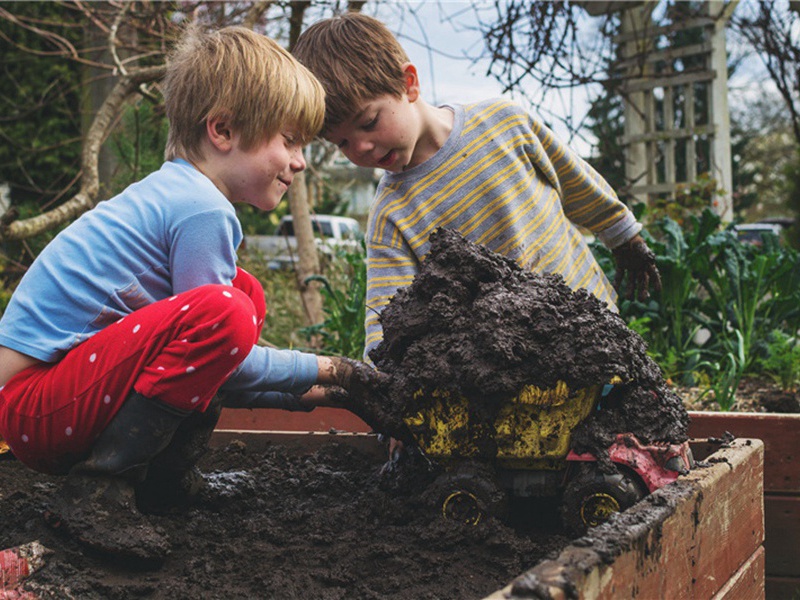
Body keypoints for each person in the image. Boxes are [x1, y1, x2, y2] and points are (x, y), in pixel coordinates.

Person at [0, 24, 377, 564]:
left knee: (241, 296)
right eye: (288, 140)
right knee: (226, 314)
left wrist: (318, 395)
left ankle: (163, 482)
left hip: (50, 403)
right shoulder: (201, 208)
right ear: (222, 129)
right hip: (34, 408)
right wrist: (335, 372)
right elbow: (230, 357)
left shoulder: (176, 192)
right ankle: (98, 494)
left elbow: (212, 368)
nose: (300, 161)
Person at [293, 13, 662, 365]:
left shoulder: (504, 123)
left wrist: (624, 236)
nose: (360, 149)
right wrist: (385, 383)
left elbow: (574, 180)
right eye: (341, 143)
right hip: (514, 368)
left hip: (597, 326)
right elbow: (386, 314)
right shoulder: (392, 215)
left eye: (369, 122)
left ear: (408, 84)